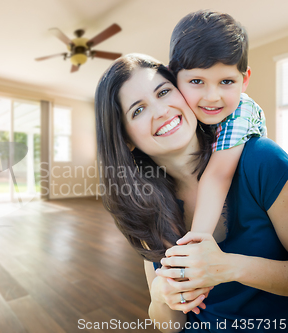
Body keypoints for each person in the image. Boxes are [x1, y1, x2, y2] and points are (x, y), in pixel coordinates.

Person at [95, 53, 288, 332]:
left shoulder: (261, 160)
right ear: (126, 139)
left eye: (164, 92)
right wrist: (162, 297)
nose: (161, 111)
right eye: (138, 110)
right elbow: (170, 325)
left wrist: (230, 267)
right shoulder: (144, 205)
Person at [169, 10, 267, 237]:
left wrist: (196, 242)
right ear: (174, 78)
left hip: (250, 207)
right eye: (196, 81)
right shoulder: (182, 112)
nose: (212, 96)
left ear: (244, 80)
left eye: (226, 81)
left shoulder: (241, 112)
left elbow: (218, 177)